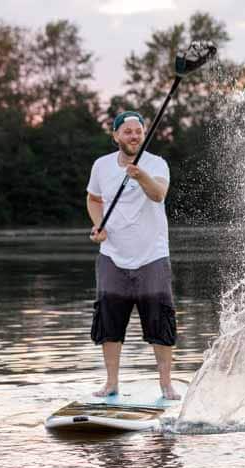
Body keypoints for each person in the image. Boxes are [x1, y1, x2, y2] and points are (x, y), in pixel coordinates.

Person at [86, 110, 180, 399]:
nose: (134, 136)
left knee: (160, 318)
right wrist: (99, 225)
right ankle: (111, 383)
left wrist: (140, 176)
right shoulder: (101, 166)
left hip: (152, 254)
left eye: (138, 131)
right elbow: (93, 199)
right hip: (112, 255)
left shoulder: (156, 164)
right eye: (127, 131)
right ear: (115, 136)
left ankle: (166, 384)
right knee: (108, 319)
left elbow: (158, 194)